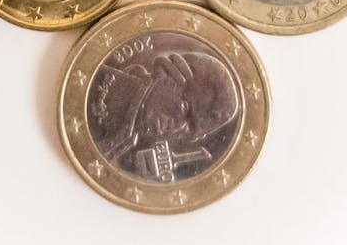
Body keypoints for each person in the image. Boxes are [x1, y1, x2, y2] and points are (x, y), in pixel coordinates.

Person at [89, 51, 238, 165]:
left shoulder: (122, 142)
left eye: (189, 130)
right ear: (169, 72)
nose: (177, 127)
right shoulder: (95, 79)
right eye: (185, 109)